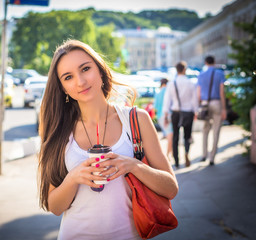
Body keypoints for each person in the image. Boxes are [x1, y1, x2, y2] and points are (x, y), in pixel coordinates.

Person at [38, 39, 178, 240]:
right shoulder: (58, 132)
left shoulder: (136, 120)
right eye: (68, 77)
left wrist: (133, 166)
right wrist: (74, 178)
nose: (80, 81)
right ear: (63, 89)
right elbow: (55, 207)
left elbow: (171, 189)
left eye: (85, 69)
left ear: (101, 71)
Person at [163, 61, 198, 168]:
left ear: (176, 70)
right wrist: (195, 112)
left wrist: (165, 115)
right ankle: (187, 153)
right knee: (187, 136)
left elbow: (167, 100)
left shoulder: (171, 84)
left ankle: (177, 161)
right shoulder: (190, 83)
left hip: (176, 113)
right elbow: (194, 100)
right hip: (188, 112)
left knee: (175, 137)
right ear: (184, 69)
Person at [197, 55, 226, 165]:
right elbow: (222, 92)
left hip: (204, 104)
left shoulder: (201, 74)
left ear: (205, 63)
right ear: (214, 62)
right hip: (216, 102)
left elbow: (198, 94)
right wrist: (224, 109)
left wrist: (199, 106)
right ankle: (212, 157)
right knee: (216, 130)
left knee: (205, 130)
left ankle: (204, 154)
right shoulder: (220, 73)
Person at [154, 78, 173, 159]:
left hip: (160, 116)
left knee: (168, 134)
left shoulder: (158, 93)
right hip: (168, 115)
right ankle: (168, 154)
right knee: (170, 135)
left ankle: (169, 153)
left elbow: (155, 107)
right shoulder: (168, 92)